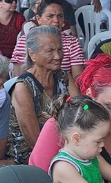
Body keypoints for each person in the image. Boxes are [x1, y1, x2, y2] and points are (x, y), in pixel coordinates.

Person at [9, 26, 80, 164]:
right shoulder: (23, 87)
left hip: (67, 150)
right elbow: (34, 141)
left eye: (60, 50)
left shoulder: (65, 77)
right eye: (50, 51)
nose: (58, 56)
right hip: (32, 158)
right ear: (32, 54)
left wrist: (88, 105)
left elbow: (83, 112)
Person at [11, 0, 85, 78]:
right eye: (50, 16)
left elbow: (78, 76)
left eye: (60, 16)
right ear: (38, 19)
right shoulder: (25, 40)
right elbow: (17, 76)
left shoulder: (72, 42)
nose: (56, 20)